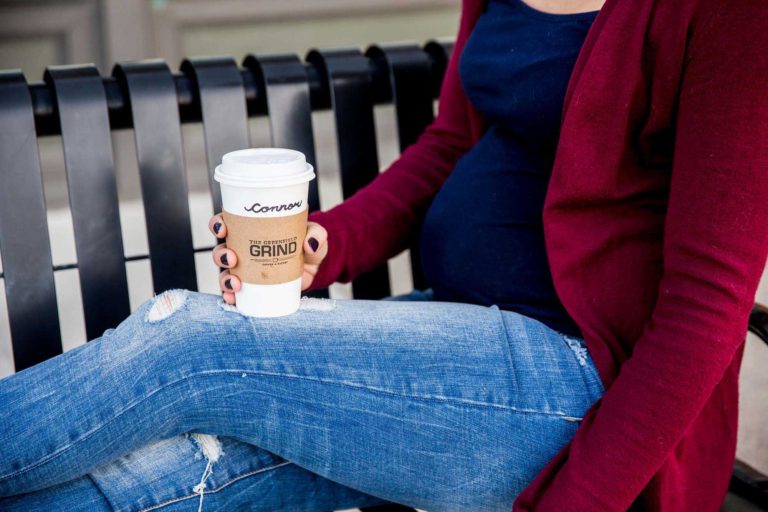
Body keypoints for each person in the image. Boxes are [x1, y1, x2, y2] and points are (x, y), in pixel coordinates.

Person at [1, 0, 767, 510]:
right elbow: (455, 145)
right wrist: (323, 245)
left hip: (580, 383)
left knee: (193, 340)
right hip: (457, 341)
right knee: (170, 473)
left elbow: (706, 310)